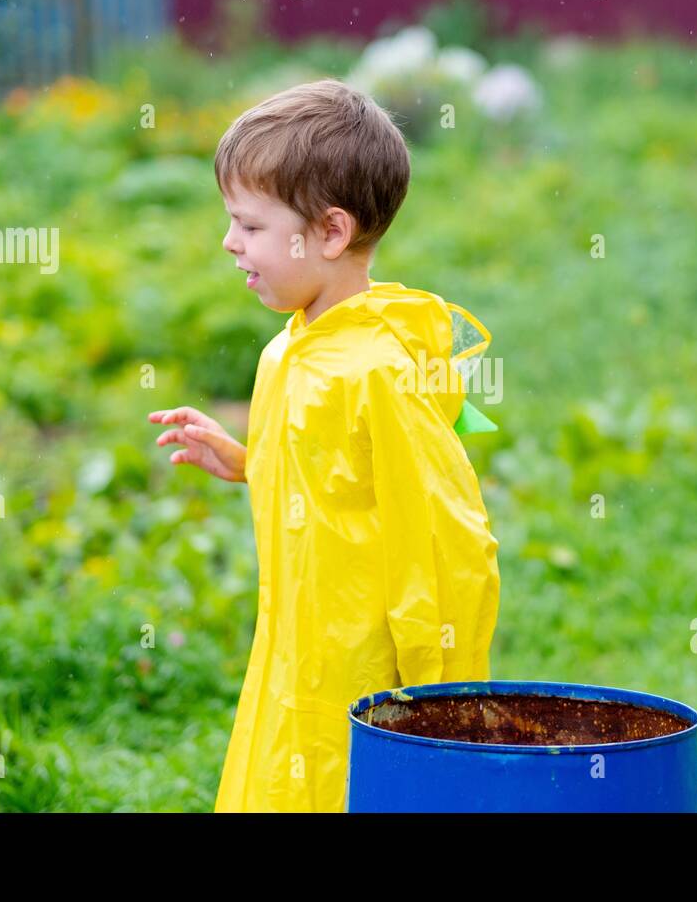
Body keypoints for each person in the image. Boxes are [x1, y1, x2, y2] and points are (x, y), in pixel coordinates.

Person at [148, 78, 502, 812]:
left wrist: (439, 698)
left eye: (249, 225)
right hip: (291, 648)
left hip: (361, 670)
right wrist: (250, 464)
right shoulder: (291, 347)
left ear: (330, 233)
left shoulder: (380, 369)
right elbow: (335, 477)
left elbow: (443, 538)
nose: (228, 241)